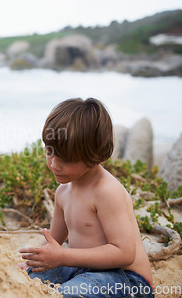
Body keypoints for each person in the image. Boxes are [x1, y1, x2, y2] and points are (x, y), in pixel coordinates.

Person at [19, 98, 154, 297]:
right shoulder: (63, 192)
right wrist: (33, 262)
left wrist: (63, 256)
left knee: (68, 294)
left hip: (128, 278)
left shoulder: (106, 191)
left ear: (94, 155)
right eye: (50, 152)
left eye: (66, 158)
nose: (54, 164)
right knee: (25, 279)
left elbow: (124, 253)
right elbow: (53, 242)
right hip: (82, 268)